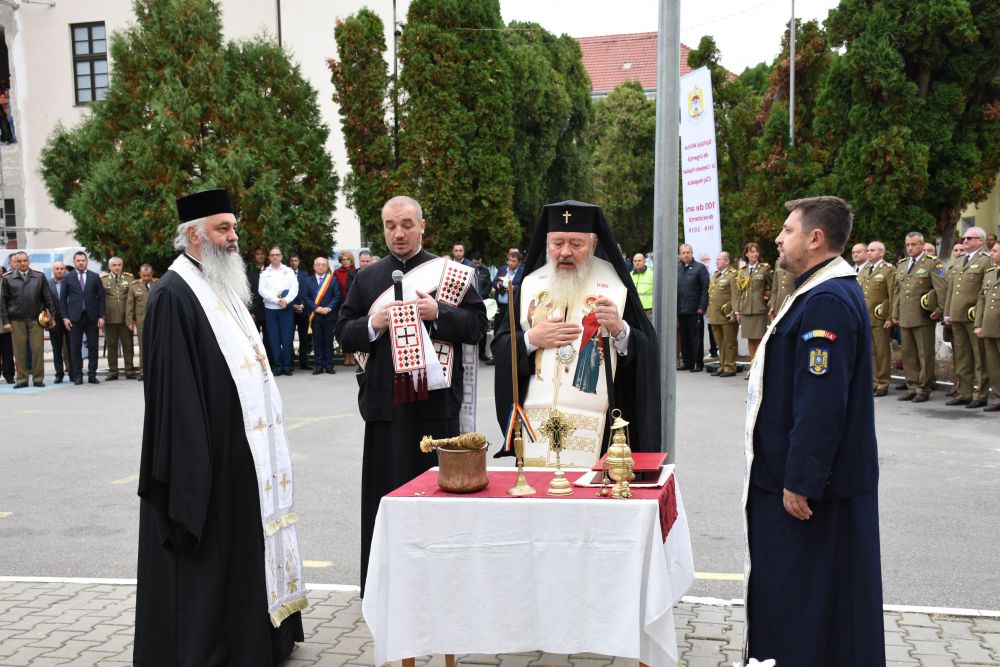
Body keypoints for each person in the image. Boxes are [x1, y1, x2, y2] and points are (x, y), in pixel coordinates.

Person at [134, 188, 305, 665]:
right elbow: (174, 398)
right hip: (207, 458)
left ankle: (258, 639)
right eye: (222, 229)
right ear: (193, 235)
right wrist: (194, 471)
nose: (233, 238)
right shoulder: (173, 294)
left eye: (233, 227)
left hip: (241, 453)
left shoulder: (220, 284)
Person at [744, 195, 883, 665]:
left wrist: (801, 479)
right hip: (803, 479)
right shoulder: (816, 290)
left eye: (787, 230)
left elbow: (821, 401)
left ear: (815, 238)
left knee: (803, 600)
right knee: (812, 600)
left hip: (808, 489)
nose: (778, 239)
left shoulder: (825, 299)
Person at [334, 195, 486, 594]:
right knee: (385, 496)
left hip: (436, 407)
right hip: (386, 406)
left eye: (406, 224)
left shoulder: (452, 274)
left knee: (434, 495)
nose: (398, 233)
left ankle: (440, 584)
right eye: (389, 226)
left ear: (422, 225)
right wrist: (372, 323)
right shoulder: (366, 279)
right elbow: (343, 331)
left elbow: (476, 327)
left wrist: (440, 314)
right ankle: (383, 584)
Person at [492, 200, 661, 467]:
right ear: (547, 243)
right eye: (557, 243)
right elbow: (500, 346)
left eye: (576, 244)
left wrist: (620, 331)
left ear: (593, 245)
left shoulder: (616, 287)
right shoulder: (530, 284)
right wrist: (531, 339)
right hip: (536, 423)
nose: (565, 252)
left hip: (600, 425)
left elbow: (647, 349)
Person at [890, 232, 947, 403]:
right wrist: (894, 312)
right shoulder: (902, 264)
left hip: (923, 316)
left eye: (914, 244)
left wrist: (940, 309)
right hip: (905, 316)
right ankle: (912, 386)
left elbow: (941, 288)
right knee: (908, 354)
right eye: (908, 245)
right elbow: (898, 291)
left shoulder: (933, 264)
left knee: (924, 354)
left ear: (922, 245)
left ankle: (924, 388)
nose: (910, 248)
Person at [943, 226, 994, 408]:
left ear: (980, 241)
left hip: (973, 316)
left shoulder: (986, 261)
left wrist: (981, 317)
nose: (965, 241)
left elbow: (986, 291)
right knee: (963, 357)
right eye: (964, 238)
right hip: (957, 315)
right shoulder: (959, 260)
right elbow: (951, 290)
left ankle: (980, 394)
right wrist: (948, 312)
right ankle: (964, 392)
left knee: (979, 357)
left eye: (969, 238)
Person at [1, 251, 55, 388]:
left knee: (37, 350)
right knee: (19, 352)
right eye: (19, 261)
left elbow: (48, 298)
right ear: (15, 263)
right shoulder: (7, 279)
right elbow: (3, 302)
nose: (22, 263)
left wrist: (52, 317)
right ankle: (22, 380)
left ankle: (38, 379)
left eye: (25, 260)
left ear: (28, 261)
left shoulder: (39, 277)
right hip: (16, 320)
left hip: (36, 320)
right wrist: (6, 322)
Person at [60, 251, 106, 385]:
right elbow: (63, 299)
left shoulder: (94, 277)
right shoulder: (68, 277)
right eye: (78, 260)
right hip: (74, 318)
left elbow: (101, 298)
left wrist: (101, 316)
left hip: (92, 317)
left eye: (83, 260)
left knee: (93, 347)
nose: (81, 262)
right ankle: (78, 375)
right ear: (74, 262)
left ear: (86, 262)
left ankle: (92, 375)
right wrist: (65, 317)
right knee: (75, 348)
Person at [858, 241, 896, 396]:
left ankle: (883, 383)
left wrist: (890, 316)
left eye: (872, 250)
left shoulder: (888, 270)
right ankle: (874, 381)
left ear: (881, 253)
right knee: (871, 352)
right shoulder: (865, 269)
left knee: (882, 352)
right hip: (865, 317)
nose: (869, 253)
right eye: (868, 250)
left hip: (880, 318)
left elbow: (892, 294)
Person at [259, 247, 298, 376]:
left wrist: (286, 300)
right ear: (269, 257)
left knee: (287, 338)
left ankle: (287, 366)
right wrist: (276, 301)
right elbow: (262, 290)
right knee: (274, 339)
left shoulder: (289, 271)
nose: (275, 257)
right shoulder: (264, 273)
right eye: (272, 255)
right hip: (271, 310)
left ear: (281, 256)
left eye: (277, 254)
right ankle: (278, 365)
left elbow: (294, 288)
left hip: (286, 310)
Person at [302, 256, 341, 375]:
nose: (320, 266)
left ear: (327, 266)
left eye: (323, 264)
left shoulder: (332, 280)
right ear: (314, 267)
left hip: (329, 316)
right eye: (318, 264)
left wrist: (328, 308)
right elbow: (305, 297)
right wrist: (317, 308)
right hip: (315, 316)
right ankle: (318, 366)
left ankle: (329, 365)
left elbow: (337, 296)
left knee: (328, 342)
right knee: (317, 342)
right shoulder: (307, 281)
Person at [735, 242, 773, 364]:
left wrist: (767, 295)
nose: (755, 254)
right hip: (746, 309)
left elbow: (773, 286)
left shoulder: (765, 269)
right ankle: (752, 368)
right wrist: (737, 311)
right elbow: (739, 292)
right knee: (750, 340)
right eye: (752, 251)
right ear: (746, 254)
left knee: (760, 340)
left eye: (756, 251)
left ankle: (760, 369)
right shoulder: (742, 271)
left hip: (759, 308)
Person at [974, 240, 1000, 412]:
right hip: (990, 326)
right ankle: (998, 397)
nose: (991, 254)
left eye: (996, 251)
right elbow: (982, 299)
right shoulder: (991, 273)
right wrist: (978, 324)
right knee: (994, 365)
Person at [101, 257, 136, 380]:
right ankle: (113, 371)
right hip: (110, 319)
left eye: (119, 265)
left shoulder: (129, 278)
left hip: (125, 319)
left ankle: (129, 370)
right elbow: (100, 299)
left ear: (122, 266)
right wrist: (101, 317)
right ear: (109, 267)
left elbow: (132, 299)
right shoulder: (103, 280)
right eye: (114, 265)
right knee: (111, 346)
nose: (117, 267)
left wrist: (132, 318)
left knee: (128, 346)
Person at [677, 244, 709, 372]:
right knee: (684, 338)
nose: (686, 255)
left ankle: (697, 363)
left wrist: (702, 306)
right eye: (683, 252)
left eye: (688, 252)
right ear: (680, 254)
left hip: (695, 309)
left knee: (695, 338)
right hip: (681, 309)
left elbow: (705, 288)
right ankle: (687, 362)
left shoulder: (700, 268)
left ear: (692, 253)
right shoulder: (677, 269)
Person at [707, 251, 739, 377]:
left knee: (729, 342)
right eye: (717, 259)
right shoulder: (716, 275)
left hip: (726, 314)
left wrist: (733, 312)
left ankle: (730, 366)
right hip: (715, 314)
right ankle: (722, 365)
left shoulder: (733, 275)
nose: (717, 261)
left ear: (727, 261)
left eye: (719, 259)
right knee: (720, 342)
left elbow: (735, 296)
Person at [126, 264, 157, 381]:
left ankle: (156, 370)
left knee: (156, 345)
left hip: (156, 320)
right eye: (144, 275)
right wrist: (130, 322)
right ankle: (143, 371)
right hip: (141, 321)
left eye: (149, 275)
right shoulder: (134, 286)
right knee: (143, 346)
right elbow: (130, 305)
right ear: (140, 274)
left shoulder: (157, 283)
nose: (146, 278)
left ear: (152, 274)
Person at [48, 261, 71, 384]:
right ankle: (59, 374)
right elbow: (45, 302)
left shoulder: (71, 282)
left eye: (62, 268)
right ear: (53, 270)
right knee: (56, 349)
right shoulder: (47, 284)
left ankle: (73, 372)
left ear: (65, 270)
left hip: (69, 319)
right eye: (57, 268)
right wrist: (48, 320)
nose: (59, 271)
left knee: (72, 347)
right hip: (54, 320)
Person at [289, 253, 312, 371]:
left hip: (303, 311)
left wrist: (302, 305)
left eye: (296, 260)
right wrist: (293, 306)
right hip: (290, 310)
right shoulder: (286, 274)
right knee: (289, 337)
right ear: (289, 262)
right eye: (292, 260)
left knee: (304, 338)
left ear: (299, 262)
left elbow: (305, 291)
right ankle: (291, 362)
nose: (294, 263)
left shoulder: (304, 274)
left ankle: (304, 362)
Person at [470, 250, 494, 363]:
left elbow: (489, 284)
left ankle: (482, 354)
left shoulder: (485, 271)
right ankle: (471, 354)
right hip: (470, 302)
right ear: (472, 261)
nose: (477, 265)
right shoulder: (469, 270)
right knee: (471, 327)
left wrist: (482, 295)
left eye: (479, 263)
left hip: (483, 302)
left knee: (483, 329)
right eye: (475, 263)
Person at [334, 250, 357, 366]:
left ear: (351, 260)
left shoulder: (356, 271)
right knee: (344, 329)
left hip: (354, 304)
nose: (346, 262)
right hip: (341, 304)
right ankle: (346, 356)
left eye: (348, 259)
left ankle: (353, 356)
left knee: (352, 330)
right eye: (343, 260)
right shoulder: (337, 273)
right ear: (340, 261)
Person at [493, 250, 524, 329]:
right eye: (510, 260)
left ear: (519, 263)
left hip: (512, 307)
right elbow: (494, 281)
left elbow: (524, 286)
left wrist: (514, 288)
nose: (511, 263)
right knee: (497, 328)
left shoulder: (522, 272)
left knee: (509, 329)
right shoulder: (502, 269)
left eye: (514, 261)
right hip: (499, 306)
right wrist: (497, 285)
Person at [630, 252, 654, 319]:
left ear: (644, 261)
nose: (637, 263)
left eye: (639, 261)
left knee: (649, 329)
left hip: (648, 310)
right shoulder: (630, 275)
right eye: (635, 261)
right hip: (635, 309)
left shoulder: (652, 274)